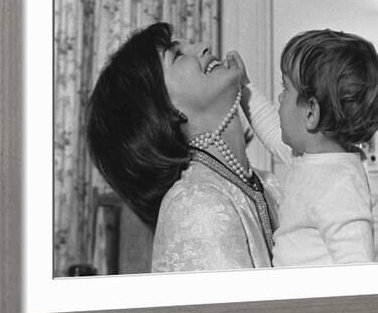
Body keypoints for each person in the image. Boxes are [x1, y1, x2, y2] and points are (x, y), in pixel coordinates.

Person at [86, 22, 282, 272]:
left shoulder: (268, 185)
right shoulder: (194, 205)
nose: (205, 47)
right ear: (161, 109)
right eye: (177, 55)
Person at [231, 29, 378, 267]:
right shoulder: (310, 156)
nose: (280, 98)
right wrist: (244, 86)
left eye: (285, 89)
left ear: (311, 112)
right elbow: (273, 131)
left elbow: (357, 264)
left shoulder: (341, 184)